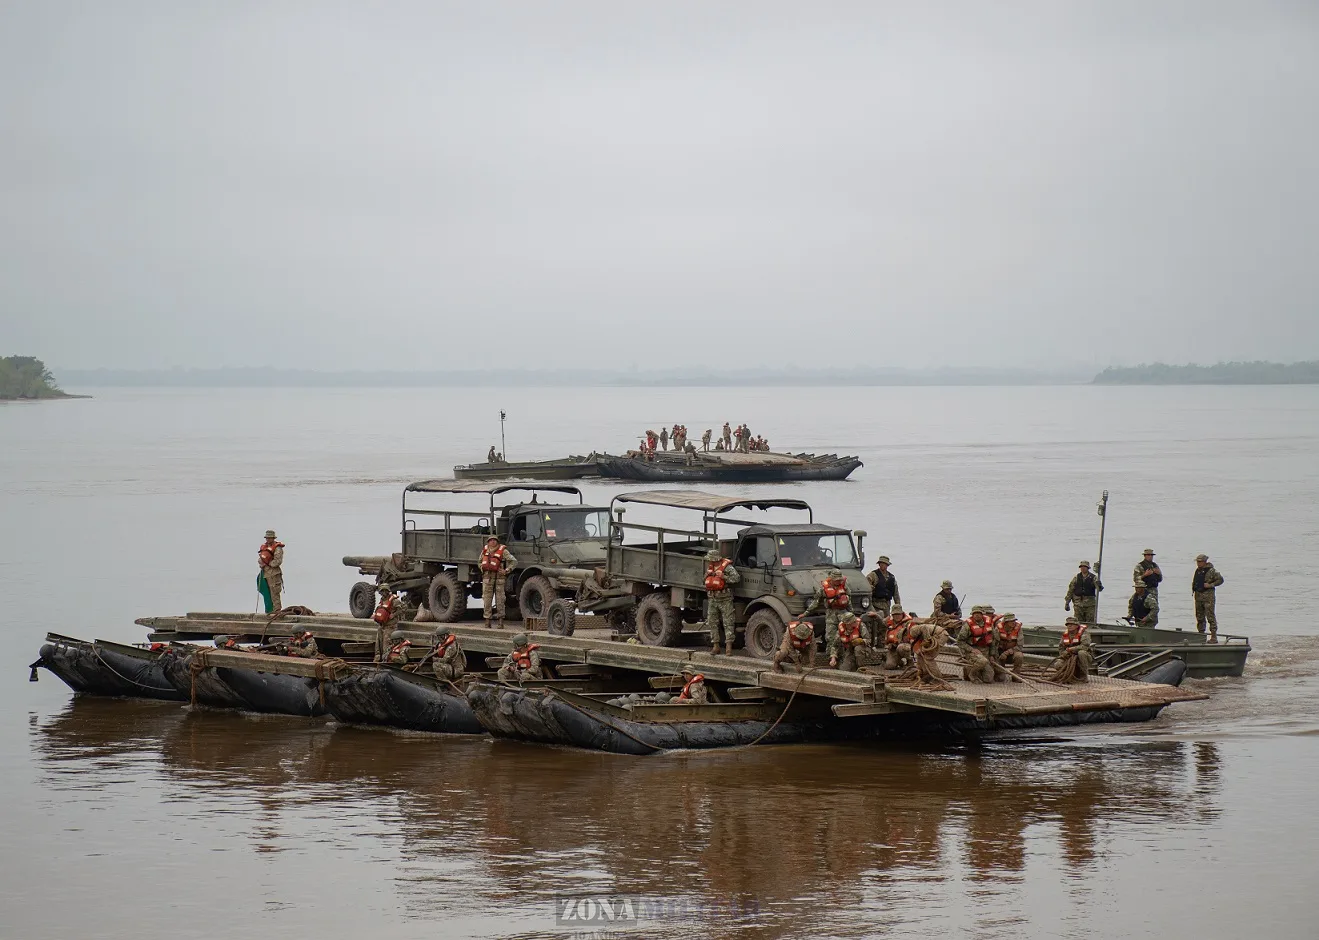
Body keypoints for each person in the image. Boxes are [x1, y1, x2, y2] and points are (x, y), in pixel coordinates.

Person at [703, 549, 740, 655]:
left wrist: (723, 576)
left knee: (728, 622)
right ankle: (716, 646)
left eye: (711, 559)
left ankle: (729, 647)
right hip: (712, 599)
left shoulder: (727, 567)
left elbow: (736, 578)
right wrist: (707, 575)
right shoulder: (710, 568)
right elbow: (703, 581)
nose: (710, 561)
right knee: (712, 622)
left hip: (725, 599)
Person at [479, 536, 517, 628]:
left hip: (499, 579)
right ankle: (487, 621)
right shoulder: (485, 551)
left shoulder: (503, 551)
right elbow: (479, 562)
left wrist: (506, 570)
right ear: (488, 542)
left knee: (500, 600)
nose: (492, 542)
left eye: (494, 540)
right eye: (490, 541)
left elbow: (514, 561)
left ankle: (500, 622)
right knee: (487, 600)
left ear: (497, 542)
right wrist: (482, 568)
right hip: (487, 578)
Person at [803, 567, 854, 635]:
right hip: (831, 615)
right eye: (836, 580)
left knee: (845, 634)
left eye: (839, 580)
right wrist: (806, 613)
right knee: (830, 637)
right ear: (831, 579)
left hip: (843, 614)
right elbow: (816, 602)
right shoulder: (823, 589)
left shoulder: (844, 586)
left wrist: (852, 613)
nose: (838, 582)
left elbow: (849, 600)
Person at [956, 606, 996, 683]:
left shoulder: (989, 623)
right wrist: (971, 650)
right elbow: (960, 641)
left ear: (982, 614)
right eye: (975, 613)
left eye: (979, 613)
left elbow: (992, 640)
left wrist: (992, 654)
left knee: (988, 678)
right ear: (972, 614)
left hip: (985, 651)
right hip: (973, 650)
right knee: (982, 661)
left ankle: (970, 668)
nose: (977, 615)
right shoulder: (967, 625)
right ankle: (972, 674)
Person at [1049, 616, 1094, 683]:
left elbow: (1084, 646)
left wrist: (1070, 649)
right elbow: (1061, 647)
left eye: (1071, 624)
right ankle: (1069, 675)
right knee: (1058, 664)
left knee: (1081, 653)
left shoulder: (1084, 634)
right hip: (1069, 657)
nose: (1069, 626)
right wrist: (1064, 654)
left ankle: (1084, 676)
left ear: (1076, 625)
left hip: (1084, 657)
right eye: (1068, 625)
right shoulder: (1065, 635)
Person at [1192, 554, 1226, 642]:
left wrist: (1211, 585)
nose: (1198, 563)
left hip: (1208, 597)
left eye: (1200, 562)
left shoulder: (1211, 571)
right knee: (1199, 617)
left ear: (1204, 562)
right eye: (1197, 562)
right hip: (1198, 597)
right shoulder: (1198, 570)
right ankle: (1201, 636)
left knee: (1210, 616)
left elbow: (1220, 580)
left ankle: (1213, 637)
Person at [907, 618, 949, 685]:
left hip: (940, 635)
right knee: (923, 654)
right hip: (941, 633)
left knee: (928, 657)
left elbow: (924, 628)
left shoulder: (912, 630)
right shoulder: (915, 630)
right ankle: (926, 673)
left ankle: (937, 679)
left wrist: (927, 640)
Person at [257, 529, 285, 613]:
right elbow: (261, 558)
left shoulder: (277, 548)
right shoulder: (264, 547)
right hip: (265, 573)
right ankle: (269, 610)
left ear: (273, 538)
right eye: (267, 538)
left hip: (274, 574)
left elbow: (278, 561)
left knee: (274, 592)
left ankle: (276, 611)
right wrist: (261, 563)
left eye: (269, 538)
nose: (268, 539)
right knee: (267, 592)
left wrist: (267, 563)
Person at [881, 604, 915, 670]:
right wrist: (889, 644)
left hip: (905, 645)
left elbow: (912, 637)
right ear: (892, 615)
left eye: (899, 614)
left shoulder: (908, 623)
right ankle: (899, 662)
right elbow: (881, 623)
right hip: (893, 648)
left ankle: (910, 662)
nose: (897, 616)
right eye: (895, 614)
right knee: (889, 666)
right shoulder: (889, 623)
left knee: (902, 648)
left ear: (902, 614)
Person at [993, 612, 1024, 679]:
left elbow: (1019, 646)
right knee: (1000, 678)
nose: (1013, 622)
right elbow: (994, 645)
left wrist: (1007, 653)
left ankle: (1016, 675)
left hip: (1012, 653)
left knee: (1019, 655)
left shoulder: (1018, 629)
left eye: (1014, 620)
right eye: (1011, 621)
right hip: (999, 654)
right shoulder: (998, 629)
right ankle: (1000, 671)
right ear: (1006, 622)